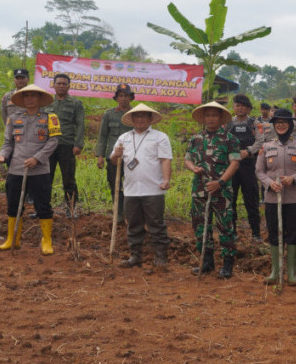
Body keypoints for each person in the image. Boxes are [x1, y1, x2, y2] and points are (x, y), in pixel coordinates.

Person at [0, 85, 61, 255]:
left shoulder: (50, 118)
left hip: (40, 170)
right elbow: (8, 142)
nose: (29, 99)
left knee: (43, 205)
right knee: (14, 204)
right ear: (22, 100)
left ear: (39, 99)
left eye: (33, 96)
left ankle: (46, 241)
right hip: (16, 168)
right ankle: (12, 239)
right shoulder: (14, 118)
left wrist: (37, 158)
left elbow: (53, 142)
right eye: (26, 96)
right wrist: (3, 156)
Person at [256, 108, 296, 285]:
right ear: (274, 126)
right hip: (273, 199)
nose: (281, 125)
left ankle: (292, 273)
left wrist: (294, 179)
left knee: (294, 233)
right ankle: (275, 272)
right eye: (278, 123)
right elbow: (259, 171)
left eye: (284, 123)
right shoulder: (266, 146)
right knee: (274, 232)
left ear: (290, 125)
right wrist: (269, 183)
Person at [111, 103, 172, 272]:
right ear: (132, 119)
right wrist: (116, 155)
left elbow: (165, 159)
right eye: (136, 116)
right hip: (130, 190)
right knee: (133, 224)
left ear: (150, 119)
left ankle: (160, 257)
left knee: (156, 224)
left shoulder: (160, 137)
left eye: (144, 116)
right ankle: (135, 256)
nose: (140, 119)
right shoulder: (124, 138)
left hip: (153, 189)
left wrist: (166, 180)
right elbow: (114, 161)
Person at [184, 102, 240, 279]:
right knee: (201, 226)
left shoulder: (230, 139)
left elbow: (235, 163)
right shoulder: (196, 139)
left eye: (214, 115)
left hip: (222, 192)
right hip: (199, 190)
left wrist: (221, 182)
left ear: (220, 118)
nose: (210, 119)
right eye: (207, 115)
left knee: (225, 227)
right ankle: (207, 261)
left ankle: (227, 264)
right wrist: (193, 168)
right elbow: (188, 159)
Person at [42, 73, 84, 216]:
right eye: (58, 83)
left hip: (67, 145)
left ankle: (71, 208)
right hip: (48, 147)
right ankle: (43, 208)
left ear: (69, 86)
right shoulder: (46, 102)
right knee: (46, 178)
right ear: (54, 85)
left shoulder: (75, 103)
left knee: (69, 179)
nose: (61, 86)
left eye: (64, 84)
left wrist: (78, 144)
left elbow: (80, 124)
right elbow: (40, 124)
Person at [226, 94, 263, 241]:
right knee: (231, 199)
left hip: (249, 165)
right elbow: (224, 140)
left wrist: (248, 151)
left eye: (243, 105)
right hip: (232, 167)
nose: (240, 108)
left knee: (252, 200)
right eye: (237, 105)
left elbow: (260, 141)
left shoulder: (255, 123)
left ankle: (256, 233)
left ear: (248, 108)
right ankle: (232, 231)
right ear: (233, 107)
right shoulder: (228, 123)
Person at [96, 83, 134, 223]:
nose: (123, 99)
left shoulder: (135, 114)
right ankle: (118, 213)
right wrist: (100, 156)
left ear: (131, 98)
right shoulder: (109, 114)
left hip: (132, 158)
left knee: (131, 185)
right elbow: (103, 136)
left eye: (126, 96)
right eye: (121, 96)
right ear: (116, 98)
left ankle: (131, 214)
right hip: (113, 157)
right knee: (115, 186)